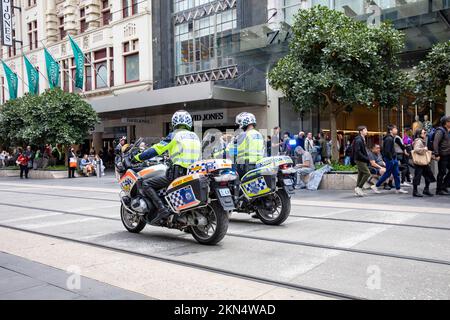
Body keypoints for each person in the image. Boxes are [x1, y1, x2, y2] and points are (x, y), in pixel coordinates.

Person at [134, 110, 201, 226]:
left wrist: (138, 157)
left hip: (177, 174)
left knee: (146, 184)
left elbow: (156, 149)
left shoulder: (175, 135)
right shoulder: (195, 136)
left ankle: (161, 209)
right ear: (189, 122)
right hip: (193, 173)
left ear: (174, 122)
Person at [371, 125, 408, 195]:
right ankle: (375, 186)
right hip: (390, 159)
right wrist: (391, 159)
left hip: (393, 159)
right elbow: (387, 151)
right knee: (387, 174)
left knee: (396, 174)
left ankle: (398, 188)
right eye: (395, 129)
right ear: (391, 131)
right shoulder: (389, 139)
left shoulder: (391, 138)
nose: (396, 130)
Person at [230, 112, 265, 177]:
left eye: (239, 123)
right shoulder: (259, 135)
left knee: (232, 180)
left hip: (245, 166)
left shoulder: (243, 135)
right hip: (258, 165)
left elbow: (231, 150)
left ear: (244, 122)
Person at [412, 129, 435, 197]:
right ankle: (415, 191)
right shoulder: (419, 141)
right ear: (419, 134)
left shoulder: (421, 140)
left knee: (428, 175)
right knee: (418, 176)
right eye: (424, 133)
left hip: (422, 162)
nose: (425, 134)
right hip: (420, 162)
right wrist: (424, 149)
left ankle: (425, 190)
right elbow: (416, 149)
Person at [433, 116, 450, 196]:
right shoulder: (440, 131)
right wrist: (436, 154)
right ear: (446, 123)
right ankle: (439, 189)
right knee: (442, 172)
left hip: (448, 155)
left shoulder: (448, 131)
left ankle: (444, 186)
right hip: (442, 155)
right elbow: (435, 143)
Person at [353, 126, 371, 197]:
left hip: (361, 159)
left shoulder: (362, 139)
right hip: (360, 159)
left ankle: (357, 190)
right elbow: (358, 151)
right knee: (367, 173)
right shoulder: (359, 140)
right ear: (361, 131)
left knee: (360, 174)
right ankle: (359, 187)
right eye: (365, 130)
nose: (366, 131)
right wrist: (366, 158)